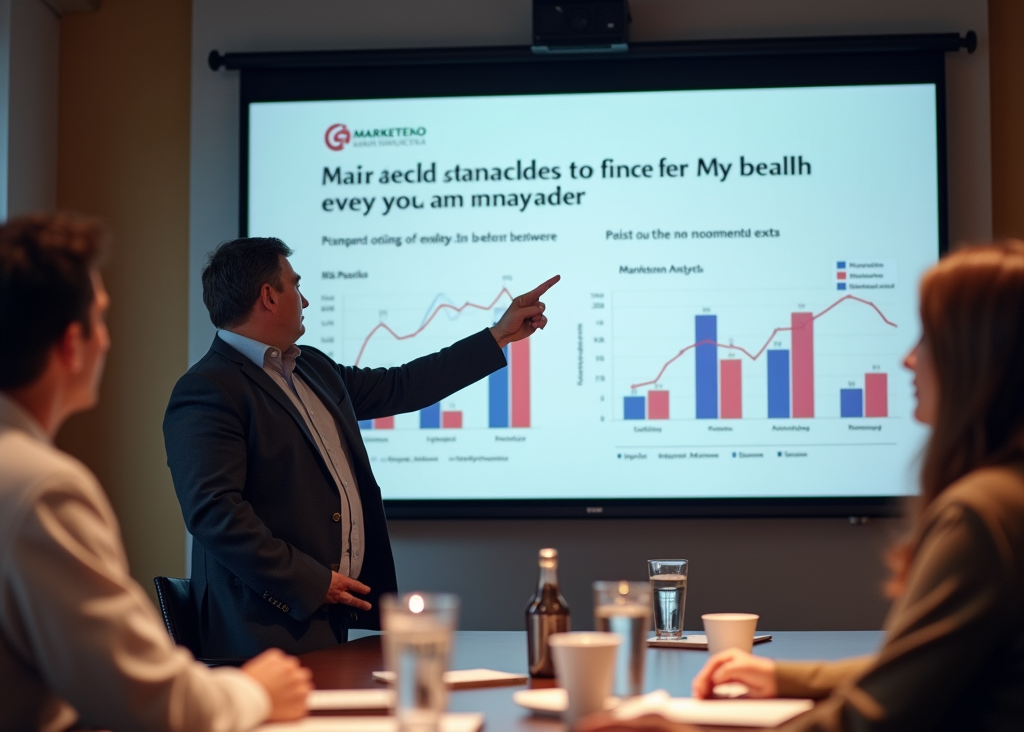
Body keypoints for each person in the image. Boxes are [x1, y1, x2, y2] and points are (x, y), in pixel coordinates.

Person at [585, 241, 1024, 732]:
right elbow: (923, 666)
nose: (906, 360)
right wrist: (782, 676)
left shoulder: (981, 515)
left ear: (977, 358)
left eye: (927, 339)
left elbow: (867, 721)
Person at [164, 236, 558, 657]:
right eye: (296, 285)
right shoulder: (208, 389)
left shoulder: (311, 366)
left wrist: (497, 336)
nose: (306, 300)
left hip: (331, 620)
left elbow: (400, 386)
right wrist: (313, 583)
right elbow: (214, 514)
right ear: (269, 297)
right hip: (261, 632)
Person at [0, 215, 313, 732]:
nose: (107, 341)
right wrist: (254, 691)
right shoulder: (41, 489)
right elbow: (142, 698)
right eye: (101, 320)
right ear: (70, 345)